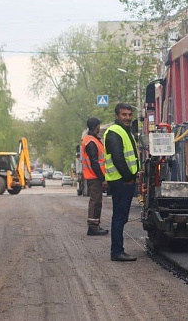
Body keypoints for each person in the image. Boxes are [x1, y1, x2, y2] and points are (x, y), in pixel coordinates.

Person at [104, 103, 140, 262]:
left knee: (121, 217)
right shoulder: (114, 132)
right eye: (124, 115)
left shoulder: (126, 131)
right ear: (117, 116)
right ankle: (117, 251)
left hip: (123, 180)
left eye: (129, 114)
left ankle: (118, 250)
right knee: (119, 217)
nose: (127, 117)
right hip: (120, 181)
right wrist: (128, 177)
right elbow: (118, 158)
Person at [81, 117, 109, 236]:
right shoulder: (91, 142)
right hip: (94, 177)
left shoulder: (92, 140)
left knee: (97, 201)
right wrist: (102, 178)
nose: (99, 128)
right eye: (98, 126)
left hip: (93, 176)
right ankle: (93, 227)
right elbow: (94, 162)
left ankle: (95, 225)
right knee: (95, 201)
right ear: (95, 127)